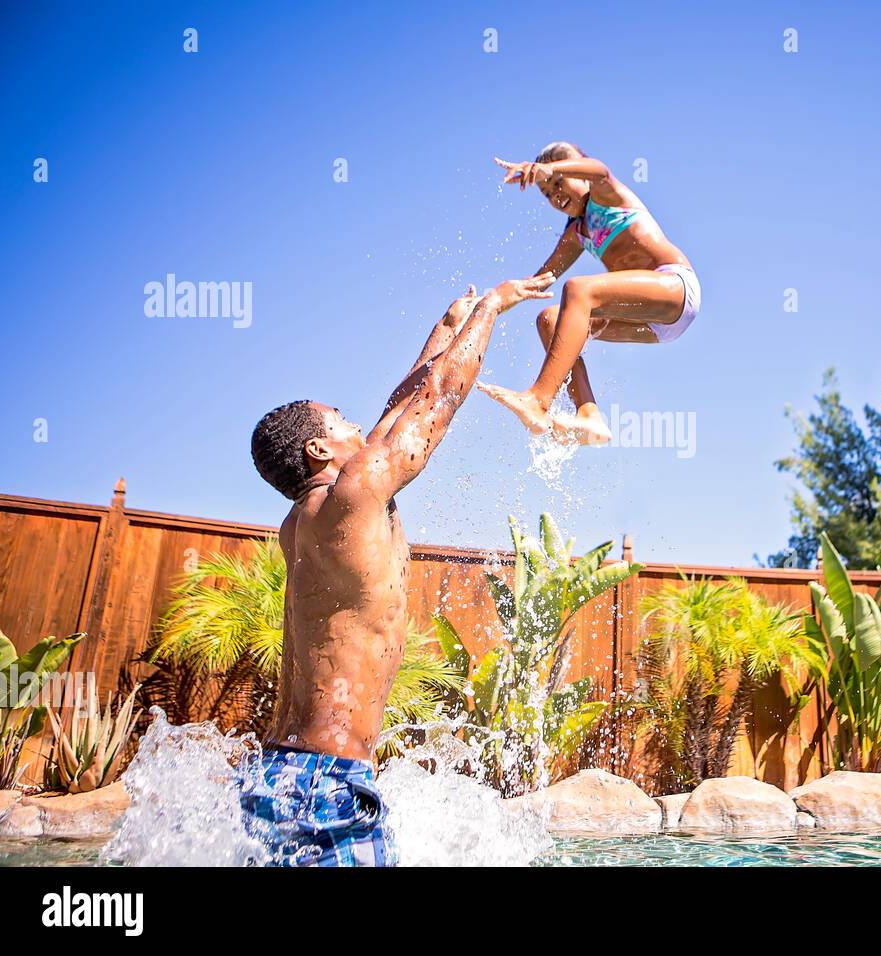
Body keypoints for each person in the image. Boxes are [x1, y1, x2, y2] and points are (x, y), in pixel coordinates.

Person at [242, 273, 553, 866]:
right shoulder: (355, 495)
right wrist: (491, 309)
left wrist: (446, 325)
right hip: (325, 787)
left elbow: (395, 414)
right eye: (342, 421)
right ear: (319, 449)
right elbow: (435, 402)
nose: (360, 427)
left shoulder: (310, 516)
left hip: (282, 773)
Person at [479, 142, 700, 445]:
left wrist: (550, 168)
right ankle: (589, 414)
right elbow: (543, 279)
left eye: (559, 182)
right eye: (546, 192)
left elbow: (600, 170)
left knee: (579, 290)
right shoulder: (576, 233)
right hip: (651, 325)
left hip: (676, 288)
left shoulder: (606, 194)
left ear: (578, 171)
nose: (554, 193)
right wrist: (494, 299)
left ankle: (538, 398)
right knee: (549, 319)